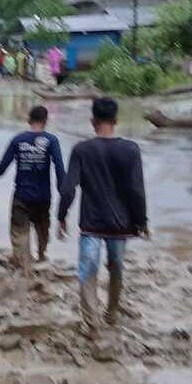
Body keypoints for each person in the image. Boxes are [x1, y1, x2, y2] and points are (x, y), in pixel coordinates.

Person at [57, 97, 148, 335]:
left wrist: (61, 216)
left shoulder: (81, 150)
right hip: (121, 225)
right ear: (116, 120)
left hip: (91, 224)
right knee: (116, 267)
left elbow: (68, 189)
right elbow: (137, 189)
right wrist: (142, 222)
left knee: (88, 269)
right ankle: (112, 312)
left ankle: (92, 322)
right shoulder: (131, 149)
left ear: (92, 121)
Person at [0, 105, 65, 274]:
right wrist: (65, 195)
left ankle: (24, 264)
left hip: (22, 196)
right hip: (43, 197)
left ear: (28, 120)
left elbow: (3, 166)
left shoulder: (18, 140)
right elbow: (60, 170)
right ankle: (41, 257)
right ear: (46, 121)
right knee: (42, 230)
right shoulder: (51, 141)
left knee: (20, 232)